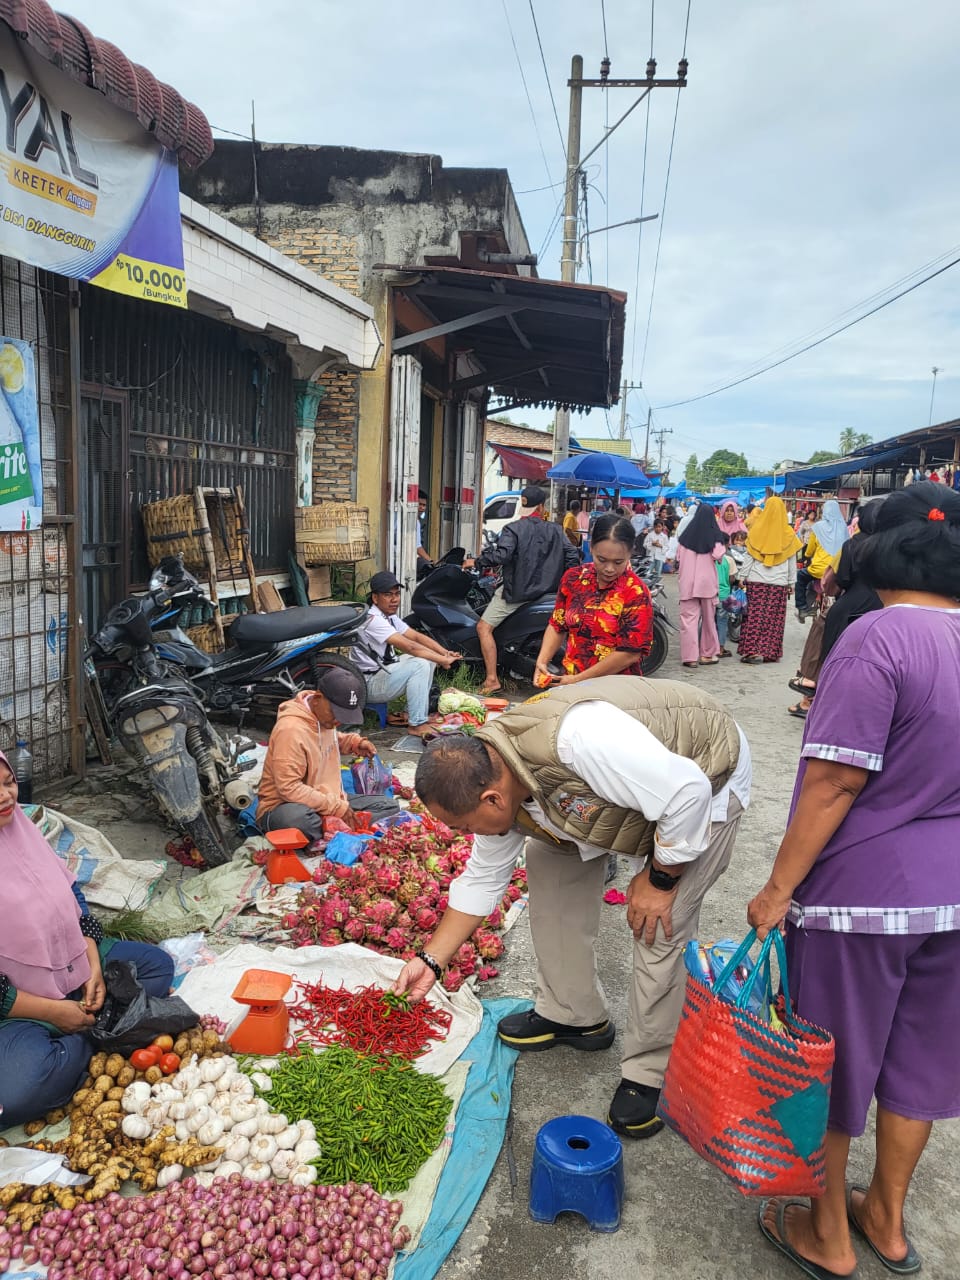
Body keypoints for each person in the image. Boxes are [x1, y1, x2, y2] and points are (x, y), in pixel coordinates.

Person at [749, 481, 960, 1280]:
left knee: (829, 1065)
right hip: (955, 897)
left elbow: (835, 783)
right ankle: (889, 1222)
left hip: (862, 902)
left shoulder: (876, 639)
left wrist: (777, 889)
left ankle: (829, 1235)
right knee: (920, 1067)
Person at [394, 677, 751, 1138]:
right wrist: (430, 960)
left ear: (492, 798)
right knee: (551, 865)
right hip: (608, 796)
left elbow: (688, 792)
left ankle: (651, 1073)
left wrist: (661, 879)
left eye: (463, 825)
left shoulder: (580, 742)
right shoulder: (499, 771)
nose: (465, 835)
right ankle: (573, 1015)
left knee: (659, 924)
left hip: (704, 777)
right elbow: (482, 877)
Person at [0, 751, 175, 1129]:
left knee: (158, 967)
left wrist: (91, 964)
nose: (5, 796)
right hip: (14, 1005)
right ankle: (91, 1032)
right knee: (16, 1095)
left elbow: (73, 898)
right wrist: (54, 1012)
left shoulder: (23, 831)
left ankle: (85, 1025)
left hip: (69, 961)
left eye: (8, 782)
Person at [466, 485, 578, 695]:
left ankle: (491, 679)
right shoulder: (555, 529)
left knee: (483, 628)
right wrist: (567, 581)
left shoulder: (513, 528)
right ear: (542, 506)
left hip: (517, 593)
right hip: (547, 592)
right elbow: (572, 555)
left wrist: (476, 561)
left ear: (523, 504)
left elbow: (501, 556)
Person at [256, 673, 391, 841]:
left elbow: (330, 740)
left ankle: (332, 827)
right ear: (318, 698)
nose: (337, 721)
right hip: (285, 806)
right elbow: (289, 788)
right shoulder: (290, 730)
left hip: (326, 800)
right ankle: (336, 826)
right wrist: (336, 807)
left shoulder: (324, 718)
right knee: (300, 820)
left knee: (389, 806)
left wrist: (354, 743)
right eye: (335, 714)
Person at [787, 500, 885, 717]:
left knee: (822, 630)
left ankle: (810, 683)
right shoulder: (892, 545)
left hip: (852, 602)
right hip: (885, 605)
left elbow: (838, 580)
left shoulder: (852, 543)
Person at [533, 514, 653, 685]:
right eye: (602, 560)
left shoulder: (635, 591)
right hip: (570, 680)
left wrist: (578, 680)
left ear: (630, 553)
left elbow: (630, 653)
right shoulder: (573, 578)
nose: (609, 569)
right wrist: (542, 662)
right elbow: (557, 624)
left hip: (616, 689)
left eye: (618, 562)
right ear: (591, 548)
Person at [350, 571, 461, 739]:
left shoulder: (388, 617)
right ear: (375, 598)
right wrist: (443, 660)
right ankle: (416, 724)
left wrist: (443, 653)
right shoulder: (373, 619)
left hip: (382, 672)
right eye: (388, 595)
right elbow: (410, 646)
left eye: (396, 594)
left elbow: (416, 636)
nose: (394, 599)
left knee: (427, 660)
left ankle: (412, 715)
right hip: (368, 683)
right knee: (420, 664)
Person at [736, 496, 802, 665]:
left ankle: (752, 651)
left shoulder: (756, 532)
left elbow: (749, 558)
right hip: (778, 585)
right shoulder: (789, 536)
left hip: (756, 582)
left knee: (754, 617)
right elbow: (791, 562)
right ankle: (770, 652)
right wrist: (791, 583)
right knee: (773, 619)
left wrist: (742, 577)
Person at [676, 503, 725, 668]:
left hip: (687, 584)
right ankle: (707, 654)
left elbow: (678, 558)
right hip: (707, 585)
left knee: (688, 621)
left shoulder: (684, 538)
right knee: (709, 621)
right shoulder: (715, 536)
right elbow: (719, 555)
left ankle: (690, 657)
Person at [796, 499, 849, 622]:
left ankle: (803, 608)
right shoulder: (844, 527)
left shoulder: (818, 527)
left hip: (819, 570)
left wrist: (808, 556)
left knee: (800, 577)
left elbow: (809, 551)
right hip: (837, 569)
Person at [714, 533, 737, 658]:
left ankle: (707, 647)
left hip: (711, 594)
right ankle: (721, 648)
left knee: (709, 622)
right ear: (728, 544)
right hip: (724, 595)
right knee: (722, 621)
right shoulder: (729, 559)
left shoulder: (710, 558)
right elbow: (732, 578)